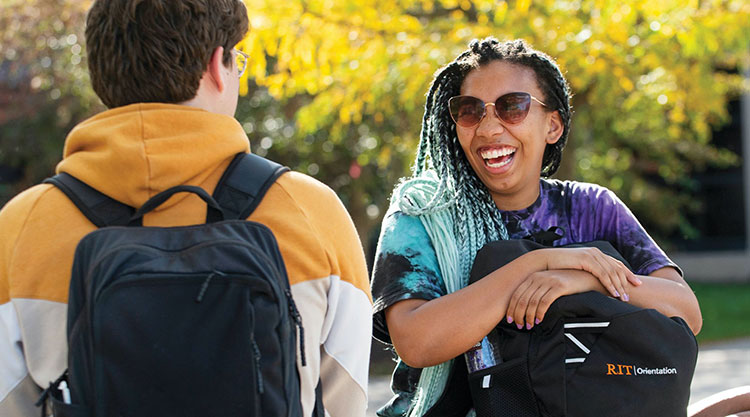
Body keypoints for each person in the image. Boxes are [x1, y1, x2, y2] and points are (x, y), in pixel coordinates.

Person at [0, 1, 372, 416]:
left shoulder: (20, 227)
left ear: (100, 73)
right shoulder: (311, 211)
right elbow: (347, 398)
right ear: (218, 64)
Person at [370, 38, 702, 416]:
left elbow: (686, 311)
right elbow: (416, 341)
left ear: (553, 125)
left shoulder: (592, 207)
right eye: (469, 110)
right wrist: (534, 265)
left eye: (512, 107)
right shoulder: (423, 213)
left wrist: (585, 278)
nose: (489, 127)